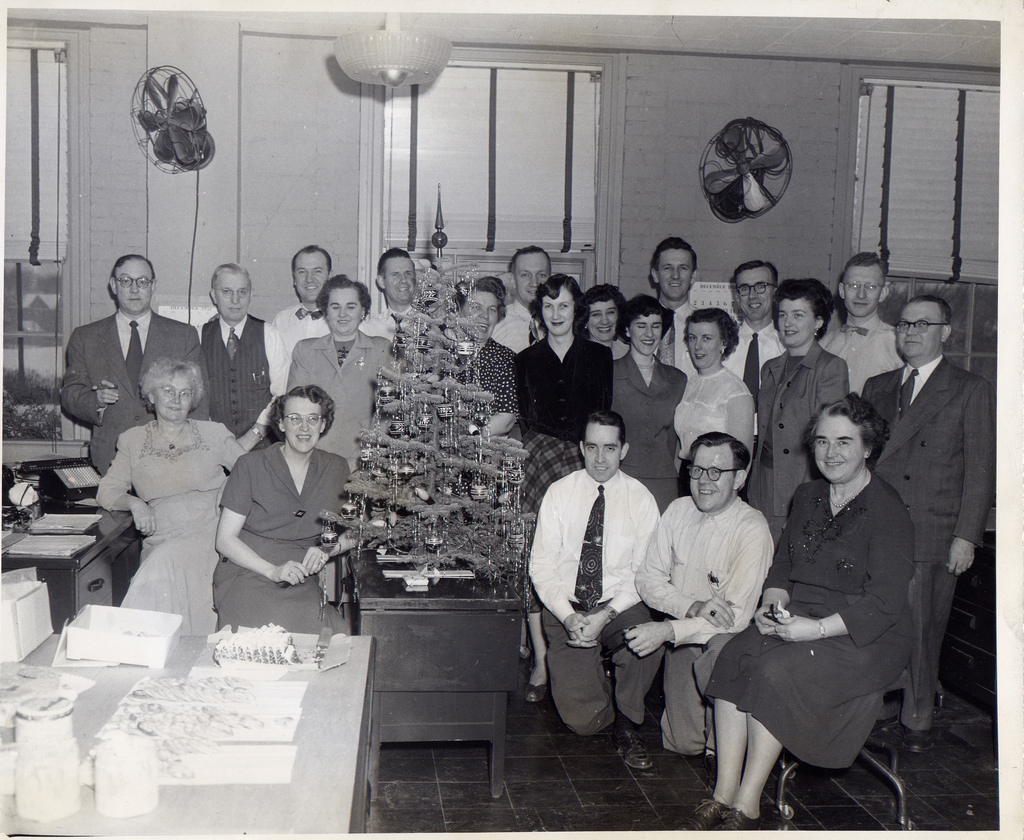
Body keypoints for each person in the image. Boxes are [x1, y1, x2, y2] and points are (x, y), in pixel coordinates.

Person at [685, 394, 915, 831]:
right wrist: (772, 605)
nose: (831, 452)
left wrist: (815, 630)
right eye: (823, 441)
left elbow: (884, 603)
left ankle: (748, 803)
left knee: (774, 671)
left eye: (845, 442)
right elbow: (785, 565)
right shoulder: (808, 495)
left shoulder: (889, 509)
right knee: (734, 655)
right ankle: (723, 792)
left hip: (865, 633)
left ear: (868, 447)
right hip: (802, 614)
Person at [862, 295, 995, 752]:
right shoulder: (878, 386)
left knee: (922, 628)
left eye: (923, 324)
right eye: (904, 324)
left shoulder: (969, 388)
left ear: (946, 332)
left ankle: (917, 715)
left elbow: (981, 470)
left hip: (932, 529)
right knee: (877, 618)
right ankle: (878, 701)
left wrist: (966, 536)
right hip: (879, 525)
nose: (911, 332)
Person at [629, 432, 773, 781]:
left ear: (739, 478)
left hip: (729, 644)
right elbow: (647, 578)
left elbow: (734, 619)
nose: (703, 481)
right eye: (696, 470)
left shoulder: (752, 528)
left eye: (716, 472)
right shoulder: (678, 511)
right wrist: (691, 605)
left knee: (720, 740)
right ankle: (711, 734)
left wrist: (667, 629)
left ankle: (732, 741)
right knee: (682, 743)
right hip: (686, 636)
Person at [530, 411, 663, 770]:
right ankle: (607, 694)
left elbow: (644, 574)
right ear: (581, 448)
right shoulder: (559, 493)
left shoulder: (641, 499)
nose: (600, 458)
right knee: (583, 722)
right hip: (568, 606)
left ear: (624, 450)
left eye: (610, 448)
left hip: (619, 604)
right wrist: (568, 617)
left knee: (647, 639)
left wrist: (606, 615)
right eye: (592, 448)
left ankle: (627, 724)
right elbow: (541, 567)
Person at [514, 274, 613, 704]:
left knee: (581, 553)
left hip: (583, 461)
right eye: (549, 306)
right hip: (538, 462)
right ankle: (541, 660)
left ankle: (582, 653)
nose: (556, 314)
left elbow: (603, 417)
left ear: (578, 311)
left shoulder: (599, 356)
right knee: (535, 555)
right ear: (540, 312)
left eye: (565, 306)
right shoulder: (526, 359)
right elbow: (524, 420)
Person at [96, 359, 246, 635]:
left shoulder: (214, 433)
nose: (176, 399)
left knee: (163, 563)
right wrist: (134, 503)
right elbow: (107, 489)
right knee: (162, 561)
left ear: (193, 400)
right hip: (163, 531)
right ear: (151, 396)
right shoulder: (132, 439)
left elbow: (251, 471)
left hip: (212, 528)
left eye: (185, 393)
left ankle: (137, 642)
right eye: (168, 390)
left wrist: (229, 487)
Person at [213, 385, 356, 634]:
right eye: (295, 418)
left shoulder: (336, 467)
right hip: (248, 570)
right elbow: (225, 540)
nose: (304, 428)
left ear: (323, 425)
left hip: (299, 577)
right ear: (280, 423)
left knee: (326, 634)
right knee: (262, 633)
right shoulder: (250, 465)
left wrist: (328, 549)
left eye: (313, 419)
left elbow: (358, 531)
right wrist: (272, 571)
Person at [61, 254, 210, 475]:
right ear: (113, 285)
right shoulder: (85, 337)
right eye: (125, 281)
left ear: (153, 286)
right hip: (110, 457)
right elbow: (70, 395)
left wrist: (187, 453)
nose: (134, 289)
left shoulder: (183, 335)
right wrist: (96, 401)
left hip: (169, 458)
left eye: (142, 281)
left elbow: (200, 401)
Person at [747, 278, 849, 543]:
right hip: (762, 484)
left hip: (799, 486)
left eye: (798, 315)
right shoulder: (770, 367)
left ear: (818, 322)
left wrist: (807, 503)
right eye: (782, 314)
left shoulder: (830, 368)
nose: (787, 323)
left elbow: (828, 443)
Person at [288, 275, 395, 466]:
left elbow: (387, 411)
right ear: (326, 312)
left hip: (362, 458)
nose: (342, 314)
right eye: (335, 307)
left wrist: (364, 456)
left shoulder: (381, 349)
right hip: (314, 459)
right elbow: (295, 411)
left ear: (363, 311)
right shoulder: (305, 351)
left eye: (351, 307)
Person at [611, 294, 687, 511]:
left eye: (655, 326)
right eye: (641, 326)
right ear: (627, 330)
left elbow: (674, 438)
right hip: (621, 475)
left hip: (663, 480)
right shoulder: (609, 372)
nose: (649, 334)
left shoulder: (677, 379)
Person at [202, 263, 289, 448]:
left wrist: (253, 436)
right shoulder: (199, 336)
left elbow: (281, 394)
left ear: (251, 295)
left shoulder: (269, 334)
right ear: (214, 296)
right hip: (214, 447)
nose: (235, 300)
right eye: (227, 292)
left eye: (242, 292)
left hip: (263, 446)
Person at [673, 308, 754, 496]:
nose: (697, 346)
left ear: (723, 343)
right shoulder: (689, 384)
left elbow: (742, 460)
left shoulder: (736, 391)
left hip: (716, 480)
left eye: (706, 338)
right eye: (692, 338)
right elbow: (681, 444)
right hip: (686, 476)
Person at [821, 252, 903, 393]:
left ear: (883, 293)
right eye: (853, 285)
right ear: (842, 290)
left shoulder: (897, 344)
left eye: (871, 287)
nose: (861, 295)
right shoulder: (825, 344)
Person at [722, 260, 785, 421]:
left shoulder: (787, 348)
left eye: (761, 286)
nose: (752, 296)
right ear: (737, 297)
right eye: (744, 289)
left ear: (775, 293)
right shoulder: (721, 347)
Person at [454, 276, 517, 436]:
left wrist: (467, 436)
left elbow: (506, 419)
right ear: (459, 311)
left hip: (486, 445)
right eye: (476, 307)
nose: (485, 315)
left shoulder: (506, 359)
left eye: (492, 309)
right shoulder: (442, 355)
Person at [648, 236, 698, 377]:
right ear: (655, 275)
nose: (675, 276)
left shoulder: (706, 325)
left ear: (693, 276)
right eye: (667, 268)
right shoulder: (640, 324)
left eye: (683, 268)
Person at [270, 245, 332, 356]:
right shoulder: (281, 321)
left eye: (317, 271)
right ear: (294, 279)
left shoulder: (345, 320)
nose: (309, 279)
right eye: (302, 272)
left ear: (329, 276)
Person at [492, 246, 550, 353]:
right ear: (513, 280)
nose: (534, 283)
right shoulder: (496, 324)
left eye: (541, 275)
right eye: (525, 275)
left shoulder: (559, 323)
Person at [359, 248, 419, 342]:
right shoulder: (369, 330)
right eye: (395, 274)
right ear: (381, 282)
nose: (403, 280)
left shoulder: (430, 325)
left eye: (408, 273)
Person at [575, 284, 629, 360]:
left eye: (610, 312)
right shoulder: (576, 356)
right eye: (596, 314)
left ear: (619, 315)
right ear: (585, 320)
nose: (605, 321)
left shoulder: (628, 352)